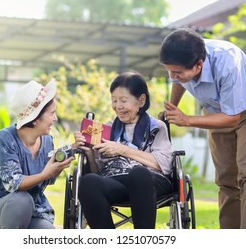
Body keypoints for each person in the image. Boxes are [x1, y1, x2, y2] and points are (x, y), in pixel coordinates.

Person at [158, 28, 246, 229]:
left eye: (177, 72)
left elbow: (232, 118)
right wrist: (173, 106)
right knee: (226, 180)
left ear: (199, 64)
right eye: (169, 71)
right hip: (216, 111)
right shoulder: (184, 56)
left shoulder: (227, 62)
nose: (172, 76)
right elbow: (179, 81)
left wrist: (187, 119)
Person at [0, 79, 74, 229]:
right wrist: (45, 174)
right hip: (0, 207)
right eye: (52, 113)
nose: (55, 118)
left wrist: (72, 150)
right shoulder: (5, 139)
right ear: (36, 118)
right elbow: (14, 184)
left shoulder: (47, 141)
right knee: (21, 199)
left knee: (47, 233)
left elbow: (47, 179)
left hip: (33, 209)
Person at [73, 71, 173, 229]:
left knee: (139, 173)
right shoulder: (108, 128)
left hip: (149, 183)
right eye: (114, 100)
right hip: (116, 180)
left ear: (141, 100)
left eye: (123, 100)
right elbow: (98, 171)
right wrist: (90, 153)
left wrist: (122, 149)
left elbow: (163, 164)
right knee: (89, 181)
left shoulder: (156, 127)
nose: (117, 106)